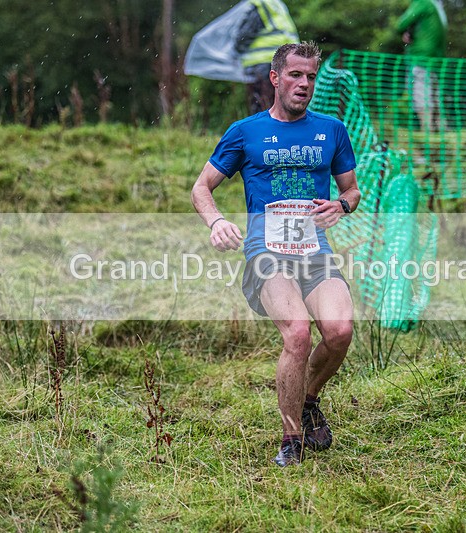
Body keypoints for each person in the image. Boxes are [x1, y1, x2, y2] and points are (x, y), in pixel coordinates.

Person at [191, 41, 361, 467]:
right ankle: (291, 439)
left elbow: (352, 191)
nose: (304, 84)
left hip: (315, 252)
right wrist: (217, 222)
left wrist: (340, 205)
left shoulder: (331, 130)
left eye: (310, 77)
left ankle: (308, 400)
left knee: (339, 331)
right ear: (275, 78)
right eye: (295, 75)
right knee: (298, 334)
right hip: (265, 254)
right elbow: (201, 188)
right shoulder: (245, 132)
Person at [235, 0, 299, 115]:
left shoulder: (260, 5)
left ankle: (263, 132)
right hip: (285, 62)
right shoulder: (277, 5)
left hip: (263, 63)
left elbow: (243, 36)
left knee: (261, 104)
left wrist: (236, 47)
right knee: (280, 104)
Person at [396, 0, 448, 132]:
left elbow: (401, 24)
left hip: (420, 58)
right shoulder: (437, 8)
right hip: (436, 60)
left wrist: (407, 30)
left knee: (422, 96)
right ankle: (441, 133)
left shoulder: (423, 3)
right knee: (435, 97)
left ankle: (427, 133)